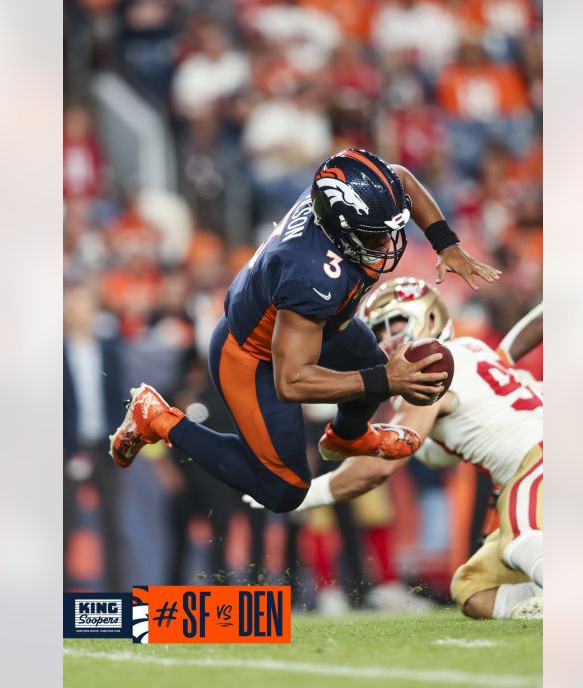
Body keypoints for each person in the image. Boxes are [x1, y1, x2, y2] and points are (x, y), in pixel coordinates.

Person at [108, 148, 501, 513]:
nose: (386, 242)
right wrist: (387, 379)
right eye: (374, 233)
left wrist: (445, 243)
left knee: (368, 363)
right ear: (343, 228)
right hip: (252, 356)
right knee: (286, 489)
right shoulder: (313, 273)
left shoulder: (336, 208)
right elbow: (292, 383)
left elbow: (401, 179)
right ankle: (157, 419)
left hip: (317, 321)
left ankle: (348, 437)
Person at [249, 278, 544, 620]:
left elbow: (379, 466)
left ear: (429, 320)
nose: (386, 345)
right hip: (538, 459)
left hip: (535, 460)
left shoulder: (430, 371)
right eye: (378, 335)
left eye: (393, 327)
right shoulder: (475, 351)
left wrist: (302, 494)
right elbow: (446, 445)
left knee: (522, 540)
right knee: (473, 590)